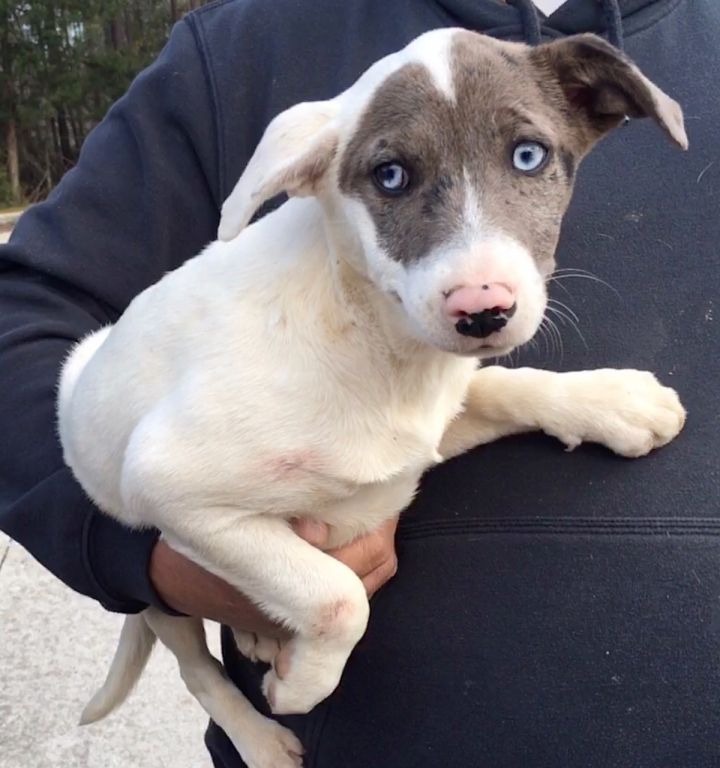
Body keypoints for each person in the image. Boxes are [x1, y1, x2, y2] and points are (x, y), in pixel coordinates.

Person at [1, 0, 718, 766]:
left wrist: (555, 402)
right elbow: (27, 322)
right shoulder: (241, 48)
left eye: (527, 156)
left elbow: (413, 409)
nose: (481, 288)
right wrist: (159, 561)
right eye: (391, 174)